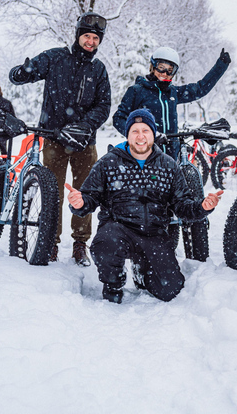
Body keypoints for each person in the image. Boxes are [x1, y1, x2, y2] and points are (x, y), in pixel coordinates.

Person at [65, 109, 223, 303]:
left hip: (153, 234)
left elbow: (183, 206)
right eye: (135, 131)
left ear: (153, 134)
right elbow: (89, 197)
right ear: (128, 134)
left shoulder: (168, 165)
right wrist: (80, 203)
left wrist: (204, 207)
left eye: (145, 130)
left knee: (170, 290)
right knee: (105, 246)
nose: (140, 136)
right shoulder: (108, 162)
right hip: (117, 230)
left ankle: (142, 273)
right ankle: (113, 282)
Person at [9, 11, 112, 267]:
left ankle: (80, 244)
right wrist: (21, 72)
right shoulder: (56, 57)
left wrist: (84, 126)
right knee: (52, 191)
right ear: (78, 35)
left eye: (95, 38)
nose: (90, 42)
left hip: (84, 143)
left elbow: (104, 105)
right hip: (54, 139)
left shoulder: (98, 70)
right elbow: (28, 72)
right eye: (87, 36)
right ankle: (50, 242)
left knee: (85, 192)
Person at [113, 46, 231, 159]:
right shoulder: (137, 91)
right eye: (161, 67)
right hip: (146, 154)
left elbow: (199, 89)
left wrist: (220, 66)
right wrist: (141, 136)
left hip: (171, 156)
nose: (164, 73)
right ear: (153, 66)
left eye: (170, 70)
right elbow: (118, 118)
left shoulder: (173, 93)